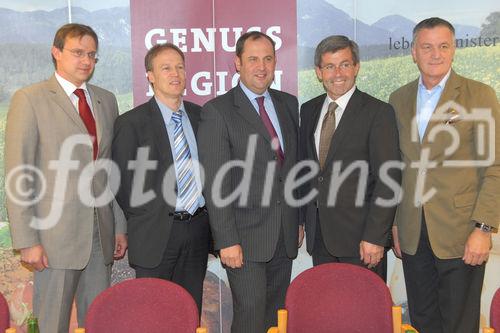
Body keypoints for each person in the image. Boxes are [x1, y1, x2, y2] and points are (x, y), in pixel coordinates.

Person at [5, 23, 127, 333]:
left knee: (101, 322)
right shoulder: (30, 99)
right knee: (51, 325)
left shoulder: (106, 100)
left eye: (92, 55)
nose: (86, 60)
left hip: (101, 234)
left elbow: (108, 169)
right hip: (53, 239)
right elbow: (19, 174)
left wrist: (120, 226)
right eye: (77, 52)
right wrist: (27, 241)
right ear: (56, 52)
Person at [389, 17, 500, 333]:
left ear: (453, 51)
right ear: (413, 52)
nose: (435, 54)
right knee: (423, 321)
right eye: (426, 46)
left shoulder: (479, 95)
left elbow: (494, 167)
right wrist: (396, 223)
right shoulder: (399, 99)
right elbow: (395, 168)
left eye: (443, 46)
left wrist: (483, 228)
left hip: (461, 233)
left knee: (459, 324)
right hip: (413, 234)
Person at [197, 31, 303, 333]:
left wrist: (296, 221)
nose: (261, 66)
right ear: (237, 64)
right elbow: (217, 183)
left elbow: (291, 169)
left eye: (268, 58)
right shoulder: (218, 111)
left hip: (283, 234)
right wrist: (226, 240)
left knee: (275, 315)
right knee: (251, 315)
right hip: (243, 238)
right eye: (253, 59)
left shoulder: (287, 104)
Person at [112, 43, 210, 313]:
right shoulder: (131, 123)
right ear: (150, 75)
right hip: (155, 234)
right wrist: (148, 214)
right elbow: (121, 182)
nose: (175, 73)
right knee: (153, 315)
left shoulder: (201, 115)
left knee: (189, 311)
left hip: (197, 230)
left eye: (179, 66)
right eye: (166, 68)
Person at [299, 35, 400, 280]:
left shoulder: (378, 112)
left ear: (356, 67)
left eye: (345, 64)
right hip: (321, 239)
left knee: (364, 314)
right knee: (327, 312)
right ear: (318, 72)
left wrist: (375, 237)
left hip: (363, 242)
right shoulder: (309, 110)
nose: (338, 73)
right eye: (329, 66)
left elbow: (389, 179)